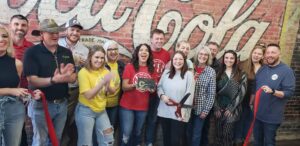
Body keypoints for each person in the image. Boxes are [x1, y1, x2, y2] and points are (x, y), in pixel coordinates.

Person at [23, 19, 76, 146]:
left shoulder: (66, 52)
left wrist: (67, 77)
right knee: (40, 140)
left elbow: (73, 77)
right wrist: (53, 80)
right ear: (41, 34)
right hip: (41, 105)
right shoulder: (32, 52)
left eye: (57, 32)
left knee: (56, 139)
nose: (55, 35)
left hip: (62, 104)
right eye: (50, 32)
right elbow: (32, 79)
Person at [0, 25, 40, 146]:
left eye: (4, 36)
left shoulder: (17, 63)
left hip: (14, 109)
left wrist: (28, 95)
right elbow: (12, 90)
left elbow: (16, 89)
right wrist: (11, 91)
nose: (2, 39)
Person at [253, 44, 295, 146]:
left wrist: (273, 91)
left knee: (269, 143)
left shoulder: (286, 71)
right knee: (257, 142)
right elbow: (255, 88)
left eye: (273, 52)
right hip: (257, 115)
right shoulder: (262, 69)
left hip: (272, 118)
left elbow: (289, 93)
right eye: (268, 52)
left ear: (279, 54)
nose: (270, 55)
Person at [58, 17, 89, 146]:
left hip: (74, 89)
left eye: (77, 31)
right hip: (58, 87)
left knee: (69, 120)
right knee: (58, 118)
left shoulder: (85, 50)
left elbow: (88, 71)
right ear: (66, 30)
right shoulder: (57, 44)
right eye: (72, 29)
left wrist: (83, 65)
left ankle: (65, 142)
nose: (75, 33)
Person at [75, 45, 115, 146]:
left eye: (102, 58)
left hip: (101, 110)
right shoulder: (83, 73)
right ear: (90, 58)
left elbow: (113, 91)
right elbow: (88, 95)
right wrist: (102, 82)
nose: (100, 60)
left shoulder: (105, 71)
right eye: (96, 57)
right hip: (86, 111)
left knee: (108, 140)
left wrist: (108, 85)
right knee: (86, 143)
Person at [119, 44, 154, 146]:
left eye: (146, 50)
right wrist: (135, 84)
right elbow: (124, 87)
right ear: (137, 53)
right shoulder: (130, 67)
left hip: (142, 107)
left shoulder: (152, 69)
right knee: (126, 133)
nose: (143, 52)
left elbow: (153, 90)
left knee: (138, 132)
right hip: (127, 106)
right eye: (141, 50)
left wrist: (151, 88)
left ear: (149, 54)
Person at [157, 51, 194, 146]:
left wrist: (184, 114)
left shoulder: (188, 75)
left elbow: (189, 94)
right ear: (172, 61)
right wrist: (162, 96)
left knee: (175, 141)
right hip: (164, 110)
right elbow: (159, 87)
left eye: (180, 59)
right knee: (166, 138)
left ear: (184, 61)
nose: (178, 61)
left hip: (179, 113)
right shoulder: (166, 73)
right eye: (175, 59)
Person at [9, 14, 35, 145]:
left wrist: (29, 94)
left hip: (23, 96)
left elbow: (34, 73)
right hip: (4, 94)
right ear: (10, 26)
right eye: (16, 24)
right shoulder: (3, 45)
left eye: (23, 25)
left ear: (27, 28)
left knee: (19, 127)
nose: (20, 27)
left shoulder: (31, 48)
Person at [214, 50, 247, 146]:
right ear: (223, 59)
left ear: (235, 60)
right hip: (219, 108)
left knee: (227, 133)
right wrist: (216, 107)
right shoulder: (218, 73)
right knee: (218, 133)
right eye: (226, 58)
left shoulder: (241, 74)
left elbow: (242, 93)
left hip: (233, 109)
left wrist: (231, 108)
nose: (229, 60)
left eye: (231, 58)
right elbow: (213, 92)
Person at [234, 44, 265, 145]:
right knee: (240, 118)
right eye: (255, 53)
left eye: (259, 54)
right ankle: (237, 139)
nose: (256, 55)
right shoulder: (243, 65)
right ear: (252, 53)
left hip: (257, 99)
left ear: (262, 56)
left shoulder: (264, 68)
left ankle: (245, 139)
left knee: (250, 119)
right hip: (243, 97)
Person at [145, 29, 170, 146]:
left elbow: (167, 74)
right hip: (144, 92)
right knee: (140, 119)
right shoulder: (145, 51)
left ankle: (149, 142)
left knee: (153, 120)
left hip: (158, 93)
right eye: (157, 39)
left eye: (161, 39)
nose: (159, 41)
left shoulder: (166, 54)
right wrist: (150, 85)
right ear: (151, 39)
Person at [188, 46, 216, 146]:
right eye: (201, 54)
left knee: (196, 134)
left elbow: (211, 93)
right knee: (187, 133)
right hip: (186, 107)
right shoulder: (189, 67)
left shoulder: (211, 72)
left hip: (200, 108)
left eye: (205, 55)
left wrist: (206, 110)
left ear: (208, 57)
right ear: (197, 55)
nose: (203, 56)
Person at [103, 40, 125, 127]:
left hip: (115, 105)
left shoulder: (121, 65)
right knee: (100, 130)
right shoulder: (101, 64)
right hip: (101, 104)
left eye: (115, 49)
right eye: (110, 49)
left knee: (111, 129)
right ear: (105, 51)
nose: (113, 52)